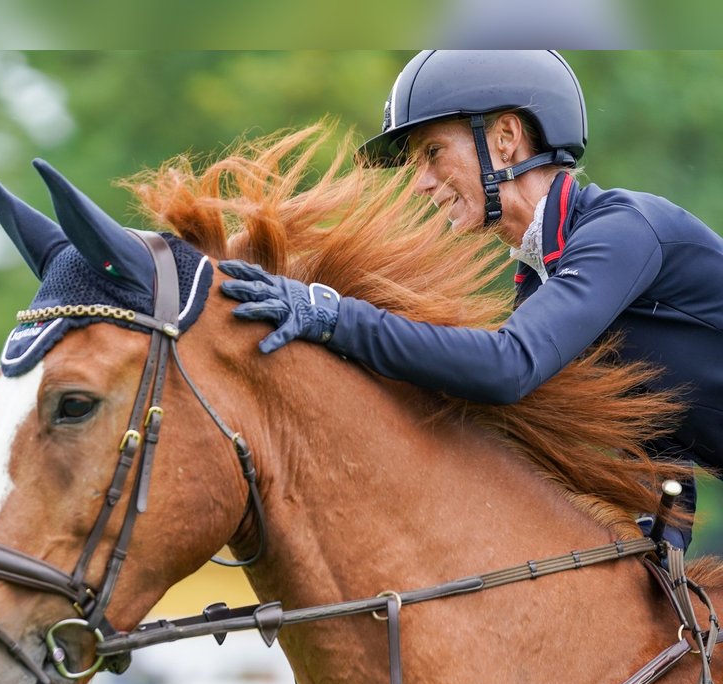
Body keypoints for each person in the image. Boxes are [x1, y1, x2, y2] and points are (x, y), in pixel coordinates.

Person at [219, 50, 723, 551]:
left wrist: (332, 315)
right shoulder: (542, 279)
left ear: (505, 140)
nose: (419, 183)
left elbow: (506, 368)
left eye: (432, 153)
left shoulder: (622, 231)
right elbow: (657, 416)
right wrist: (663, 539)